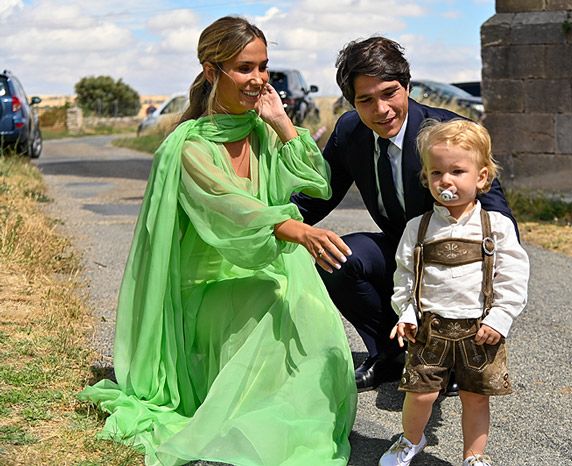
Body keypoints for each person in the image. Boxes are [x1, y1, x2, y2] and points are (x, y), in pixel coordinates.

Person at [79, 16, 356, 466]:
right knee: (270, 295)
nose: (259, 79)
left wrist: (284, 124)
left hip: (259, 268)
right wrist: (295, 229)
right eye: (245, 68)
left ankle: (280, 409)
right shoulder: (187, 147)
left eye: (264, 67)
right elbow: (232, 210)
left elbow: (317, 181)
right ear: (212, 72)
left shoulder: (262, 131)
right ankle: (255, 416)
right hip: (201, 292)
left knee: (302, 301)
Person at [292, 37, 518, 393]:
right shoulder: (350, 132)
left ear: (407, 86)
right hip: (403, 250)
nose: (381, 109)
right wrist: (273, 224)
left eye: (389, 93)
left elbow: (496, 213)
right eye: (366, 100)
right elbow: (319, 195)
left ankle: (454, 357)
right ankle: (389, 354)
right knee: (335, 257)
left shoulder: (447, 135)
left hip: (456, 262)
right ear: (352, 103)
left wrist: (497, 298)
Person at [378, 119, 529, 466]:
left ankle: (474, 456)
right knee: (421, 393)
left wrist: (501, 317)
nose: (445, 181)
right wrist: (406, 312)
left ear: (481, 177)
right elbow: (405, 276)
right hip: (430, 328)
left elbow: (513, 276)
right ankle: (410, 440)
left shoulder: (496, 226)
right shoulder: (419, 228)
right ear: (425, 178)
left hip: (480, 330)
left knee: (475, 397)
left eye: (457, 171)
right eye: (435, 173)